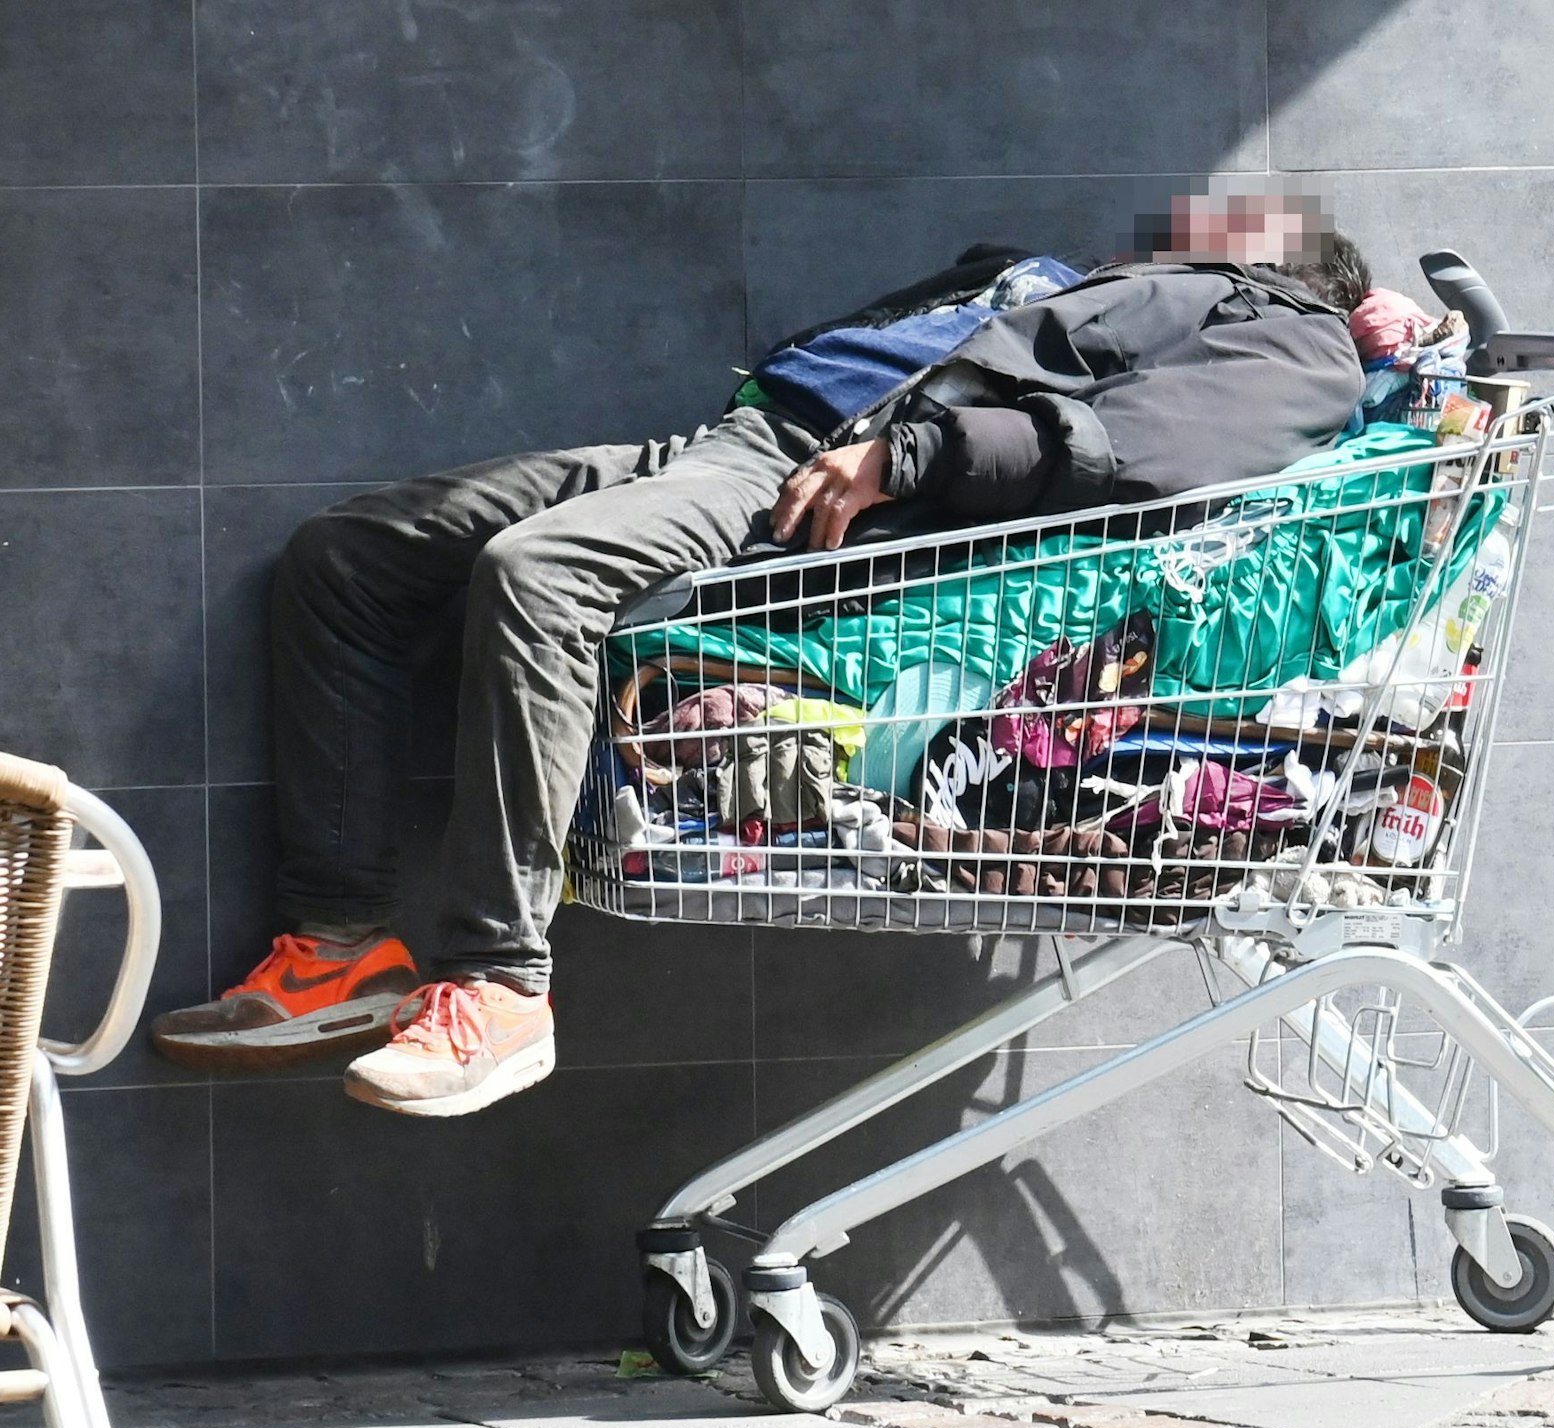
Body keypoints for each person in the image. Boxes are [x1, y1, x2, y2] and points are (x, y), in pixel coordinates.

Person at [148, 192, 1371, 1118]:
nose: (1184, 212)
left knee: (543, 576)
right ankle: (341, 947)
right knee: (349, 555)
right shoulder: (1065, 280)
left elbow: (1146, 441)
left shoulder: (1284, 328)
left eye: (1238, 210)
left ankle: (502, 986)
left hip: (821, 492)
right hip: (737, 440)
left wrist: (914, 458)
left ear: (1288, 255)